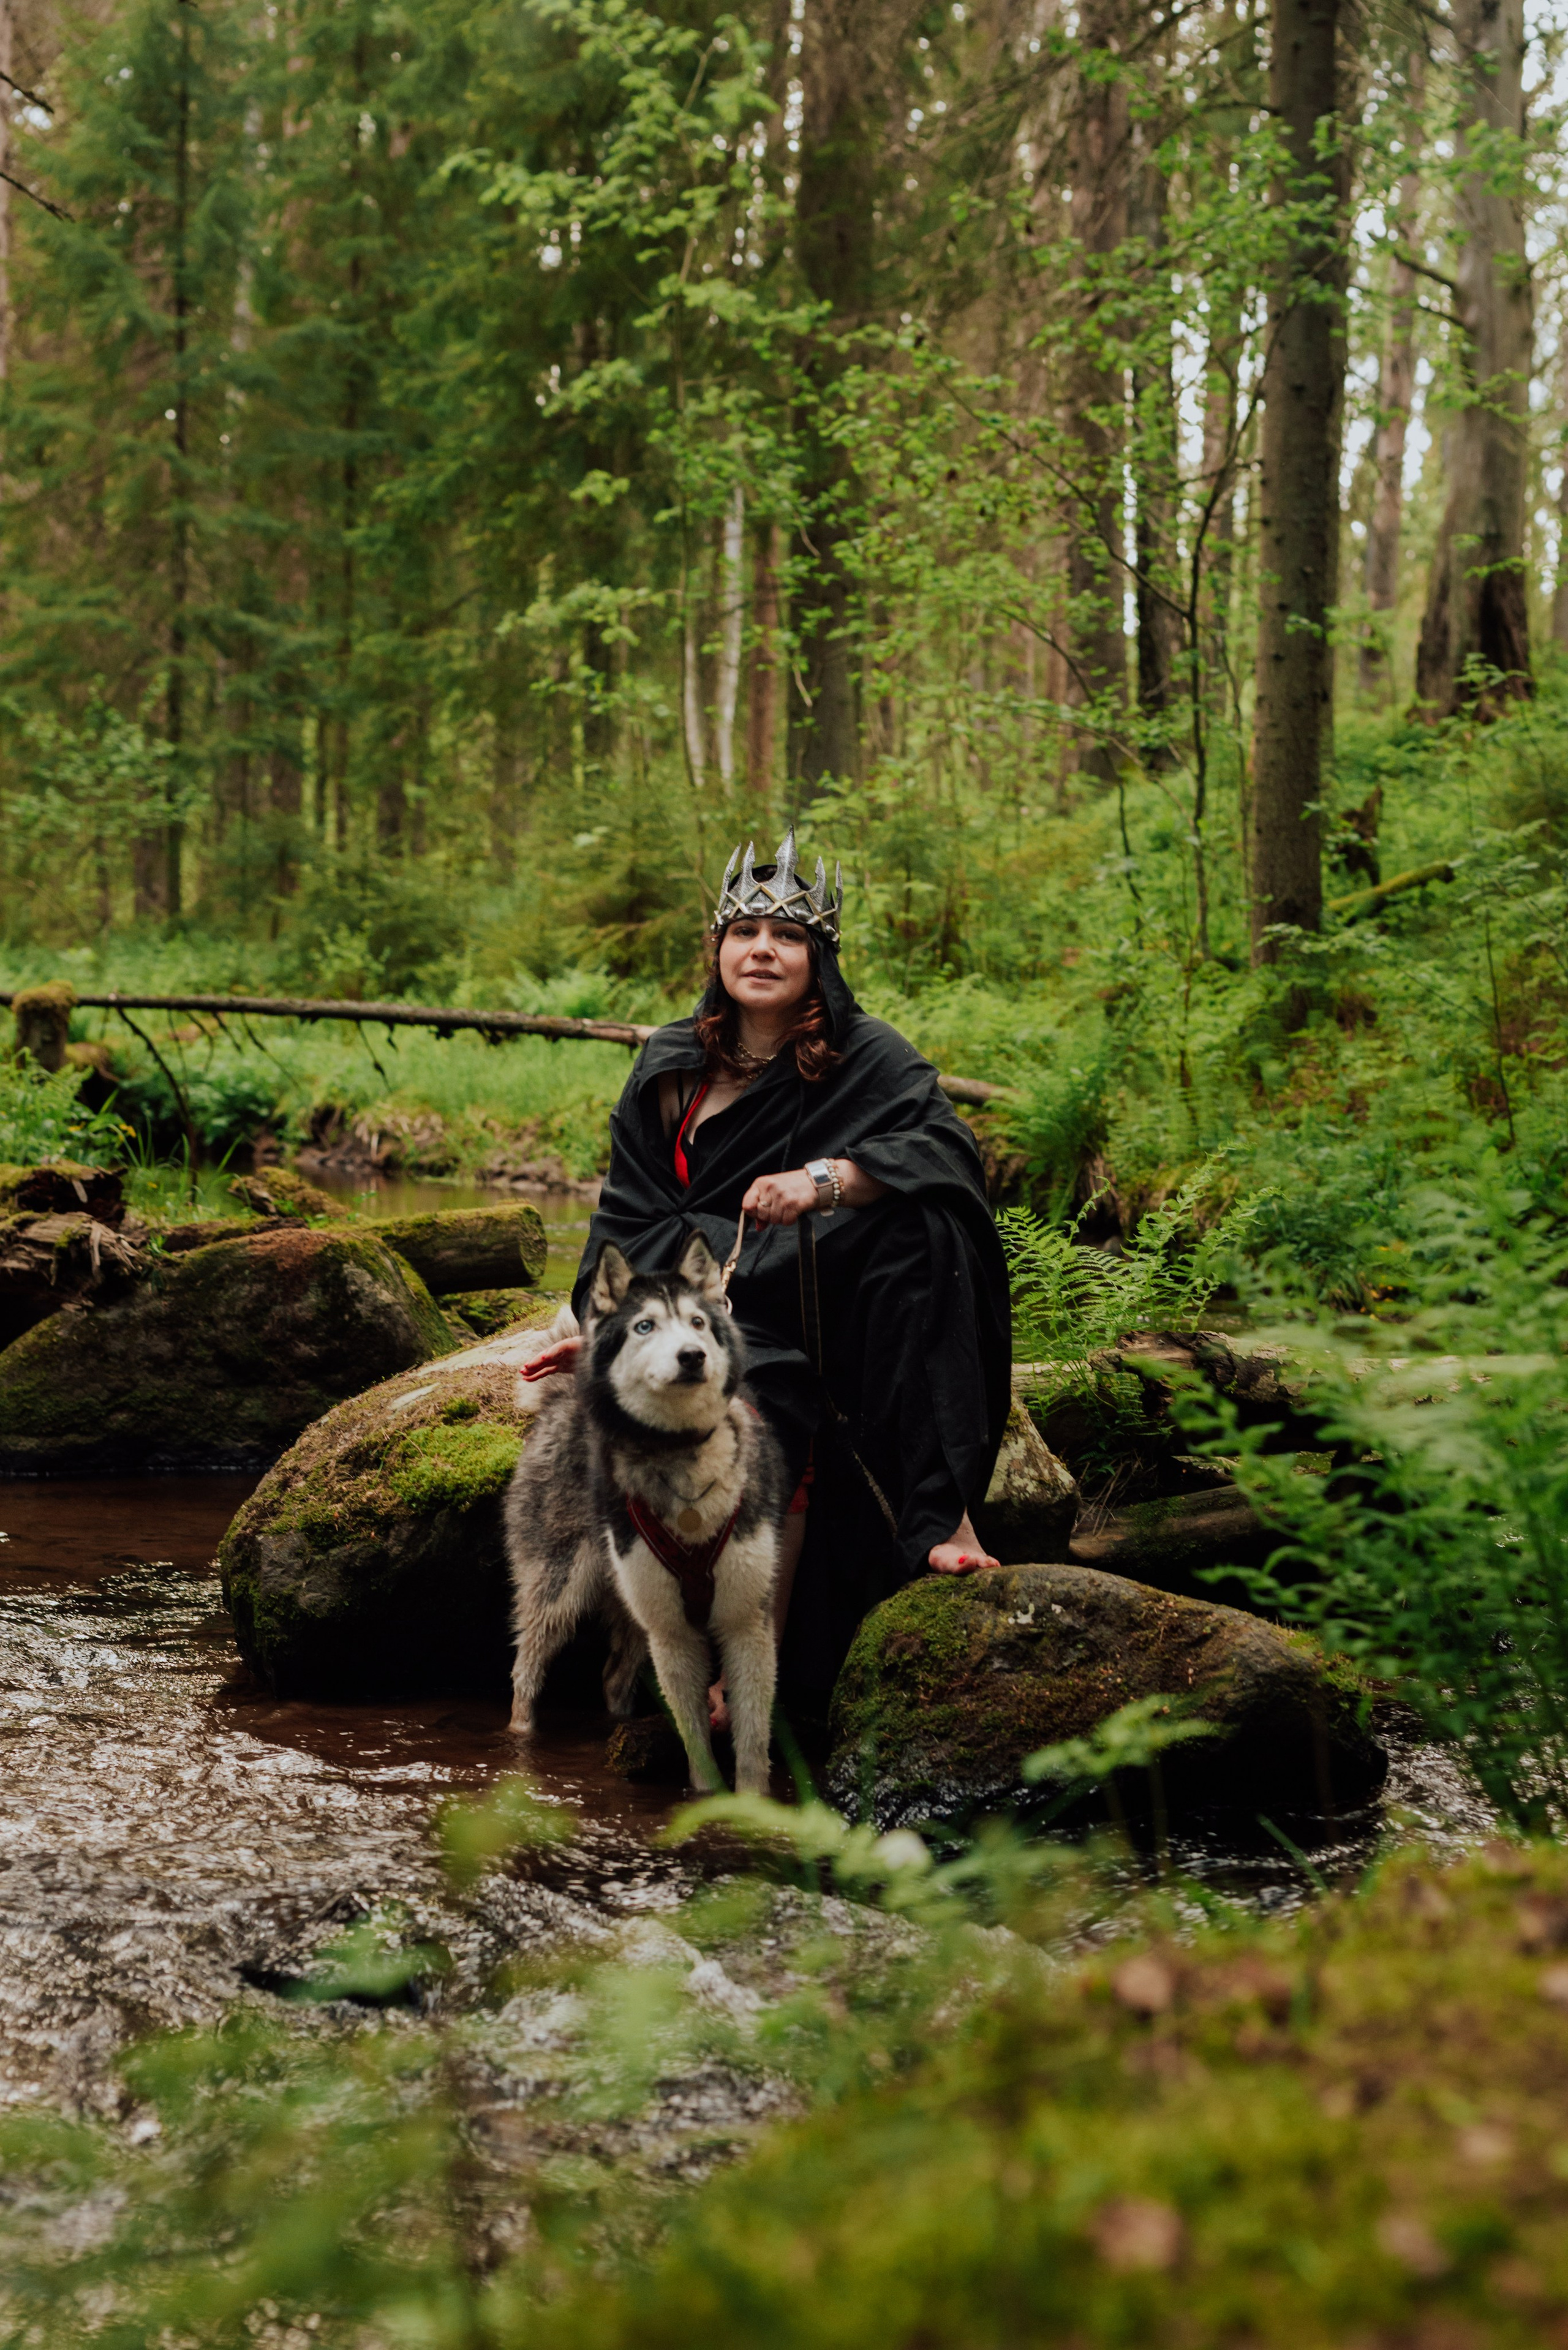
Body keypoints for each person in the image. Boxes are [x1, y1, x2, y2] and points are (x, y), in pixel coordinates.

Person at [573, 831, 1012, 1719]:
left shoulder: (871, 1053)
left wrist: (825, 1182)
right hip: (718, 1297)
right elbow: (630, 1214)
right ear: (719, 950)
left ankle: (942, 1515)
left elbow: (946, 1152)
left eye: (787, 935)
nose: (763, 949)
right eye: (745, 932)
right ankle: (742, 1658)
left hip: (835, 1291)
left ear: (821, 959)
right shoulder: (670, 1066)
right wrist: (580, 1322)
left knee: (926, 1229)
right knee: (760, 1395)